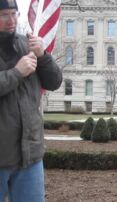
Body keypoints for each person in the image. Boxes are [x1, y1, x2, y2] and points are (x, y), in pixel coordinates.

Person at [0, 0, 62, 201]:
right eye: (4, 15)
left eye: (14, 14)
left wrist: (43, 56)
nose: (11, 20)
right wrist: (16, 73)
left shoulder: (27, 44)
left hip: (30, 156)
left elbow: (54, 82)